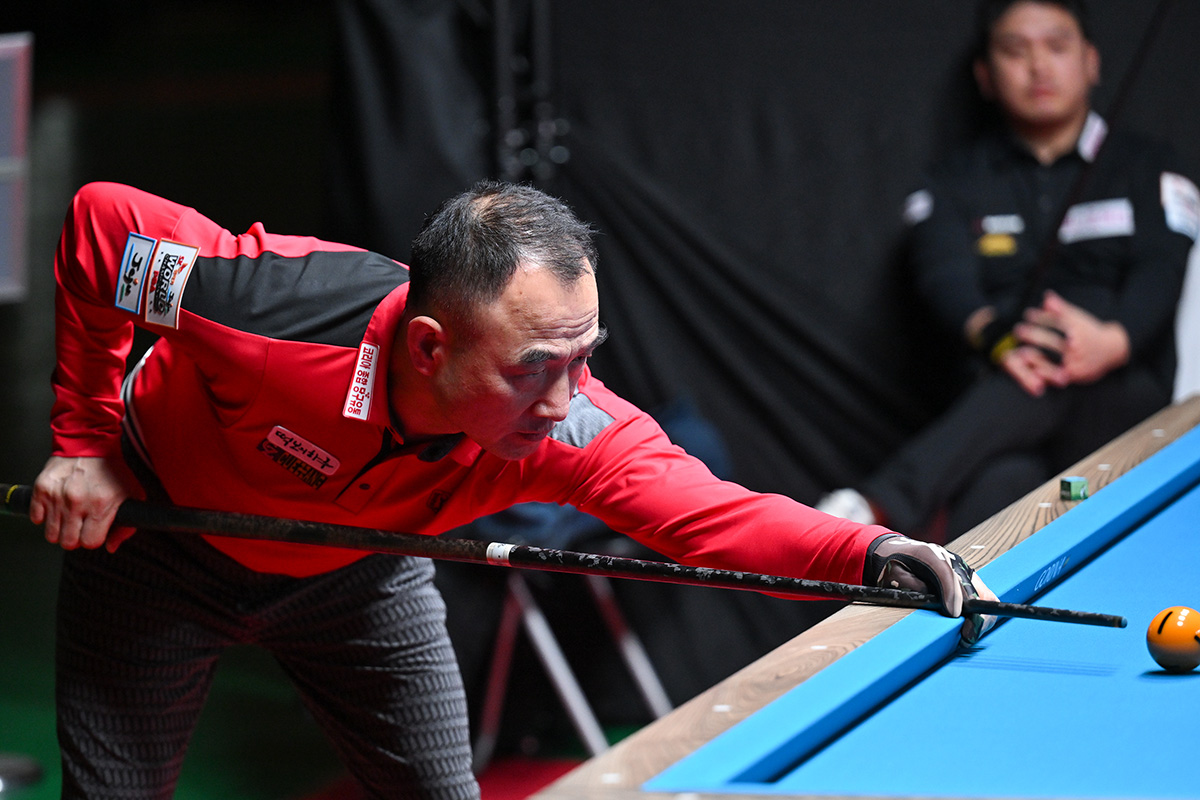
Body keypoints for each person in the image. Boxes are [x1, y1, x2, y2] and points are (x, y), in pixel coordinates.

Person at [32, 179, 991, 800]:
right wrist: (85, 441)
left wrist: (870, 552)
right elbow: (98, 226)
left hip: (360, 575)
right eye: (536, 365)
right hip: (160, 548)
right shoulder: (273, 313)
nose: (566, 399)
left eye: (586, 358)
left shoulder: (566, 428)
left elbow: (712, 517)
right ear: (429, 348)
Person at [820, 0, 1199, 540]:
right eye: (1016, 51)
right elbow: (942, 275)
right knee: (1001, 482)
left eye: (1057, 46)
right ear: (986, 75)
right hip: (1004, 403)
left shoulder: (1150, 167)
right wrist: (999, 341)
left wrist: (1111, 341)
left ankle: (877, 505)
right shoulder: (952, 181)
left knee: (1054, 351)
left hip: (1125, 406)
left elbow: (1163, 271)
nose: (1039, 67)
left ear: (1091, 62)